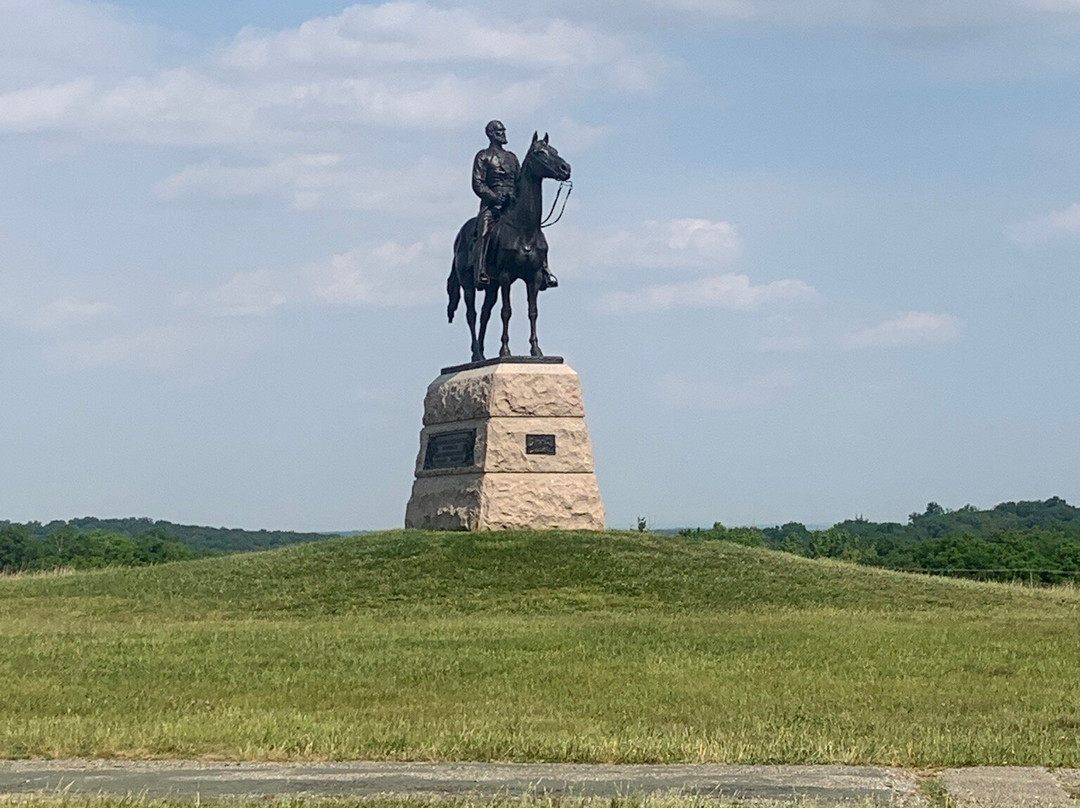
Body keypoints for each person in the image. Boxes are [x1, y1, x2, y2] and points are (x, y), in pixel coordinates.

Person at [471, 120, 558, 289]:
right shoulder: (483, 156)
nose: (503, 134)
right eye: (499, 131)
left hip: (511, 207)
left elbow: (519, 181)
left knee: (536, 232)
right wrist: (495, 197)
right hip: (492, 207)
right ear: (490, 134)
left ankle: (545, 270)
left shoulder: (512, 158)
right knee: (483, 232)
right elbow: (478, 183)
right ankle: (480, 270)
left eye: (503, 130)